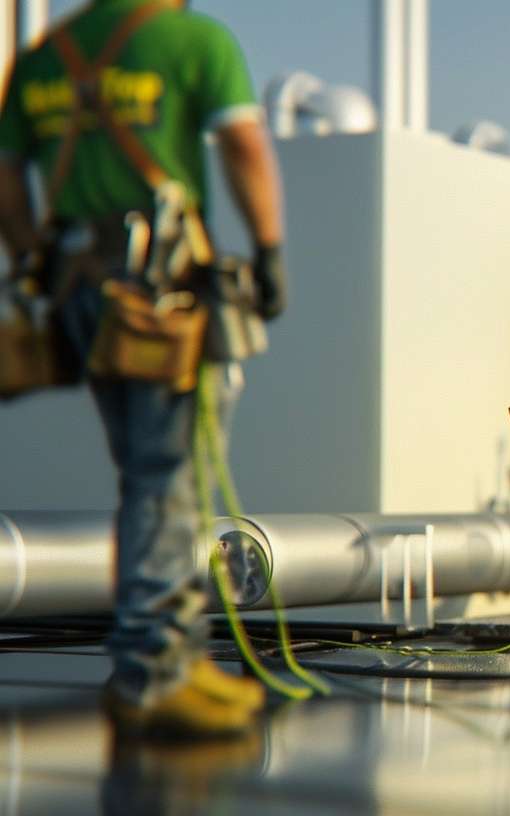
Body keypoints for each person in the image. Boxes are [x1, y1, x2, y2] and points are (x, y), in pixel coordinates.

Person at [0, 0, 286, 736]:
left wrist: (31, 254)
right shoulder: (192, 40)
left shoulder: (47, 58)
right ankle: (154, 672)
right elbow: (245, 147)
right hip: (158, 291)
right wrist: (270, 252)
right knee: (168, 474)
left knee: (150, 473)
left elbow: (5, 172)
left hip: (76, 287)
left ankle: (176, 657)